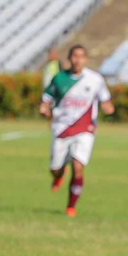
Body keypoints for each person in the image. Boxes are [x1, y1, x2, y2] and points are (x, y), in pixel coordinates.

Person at [39, 45, 114, 217]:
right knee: (55, 168)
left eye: (81, 56)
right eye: (75, 56)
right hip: (62, 128)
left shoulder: (95, 79)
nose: (78, 60)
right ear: (69, 58)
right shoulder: (59, 78)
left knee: (78, 166)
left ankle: (71, 206)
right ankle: (59, 174)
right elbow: (46, 99)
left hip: (84, 129)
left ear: (86, 59)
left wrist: (107, 107)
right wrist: (44, 109)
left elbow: (106, 99)